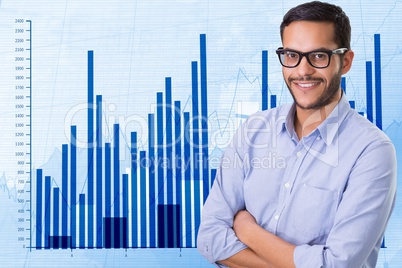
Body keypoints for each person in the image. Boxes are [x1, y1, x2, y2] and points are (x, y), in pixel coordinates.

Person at [196, 1, 397, 267]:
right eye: (292, 55)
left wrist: (248, 230)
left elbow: (336, 264)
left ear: (345, 62)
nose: (302, 70)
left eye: (318, 56)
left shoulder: (371, 152)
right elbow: (210, 238)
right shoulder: (253, 131)